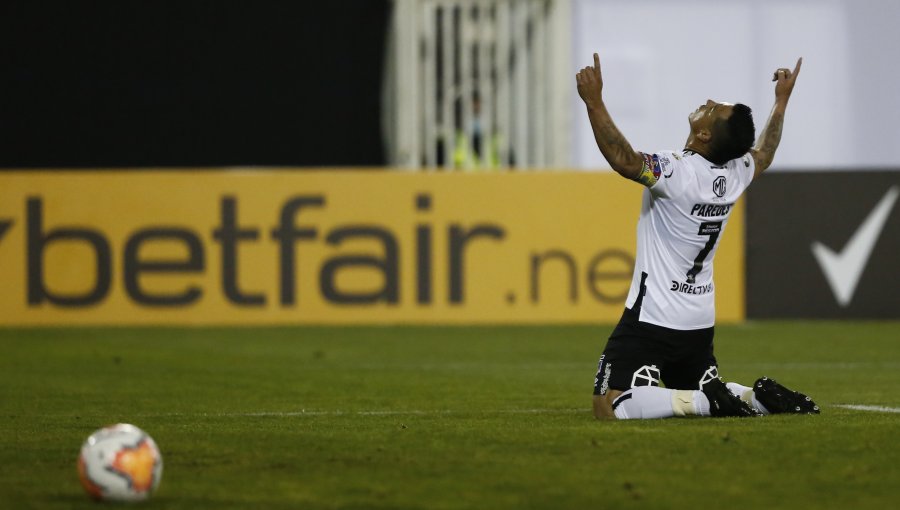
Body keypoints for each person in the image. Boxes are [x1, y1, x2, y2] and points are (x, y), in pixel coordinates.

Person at [576, 52, 820, 419]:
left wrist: (594, 103)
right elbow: (765, 153)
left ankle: (707, 403)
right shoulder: (736, 173)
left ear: (704, 134)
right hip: (698, 320)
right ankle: (755, 398)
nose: (707, 103)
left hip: (655, 315)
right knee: (689, 388)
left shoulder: (677, 173)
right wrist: (781, 102)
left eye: (713, 109)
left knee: (609, 404)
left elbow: (625, 160)